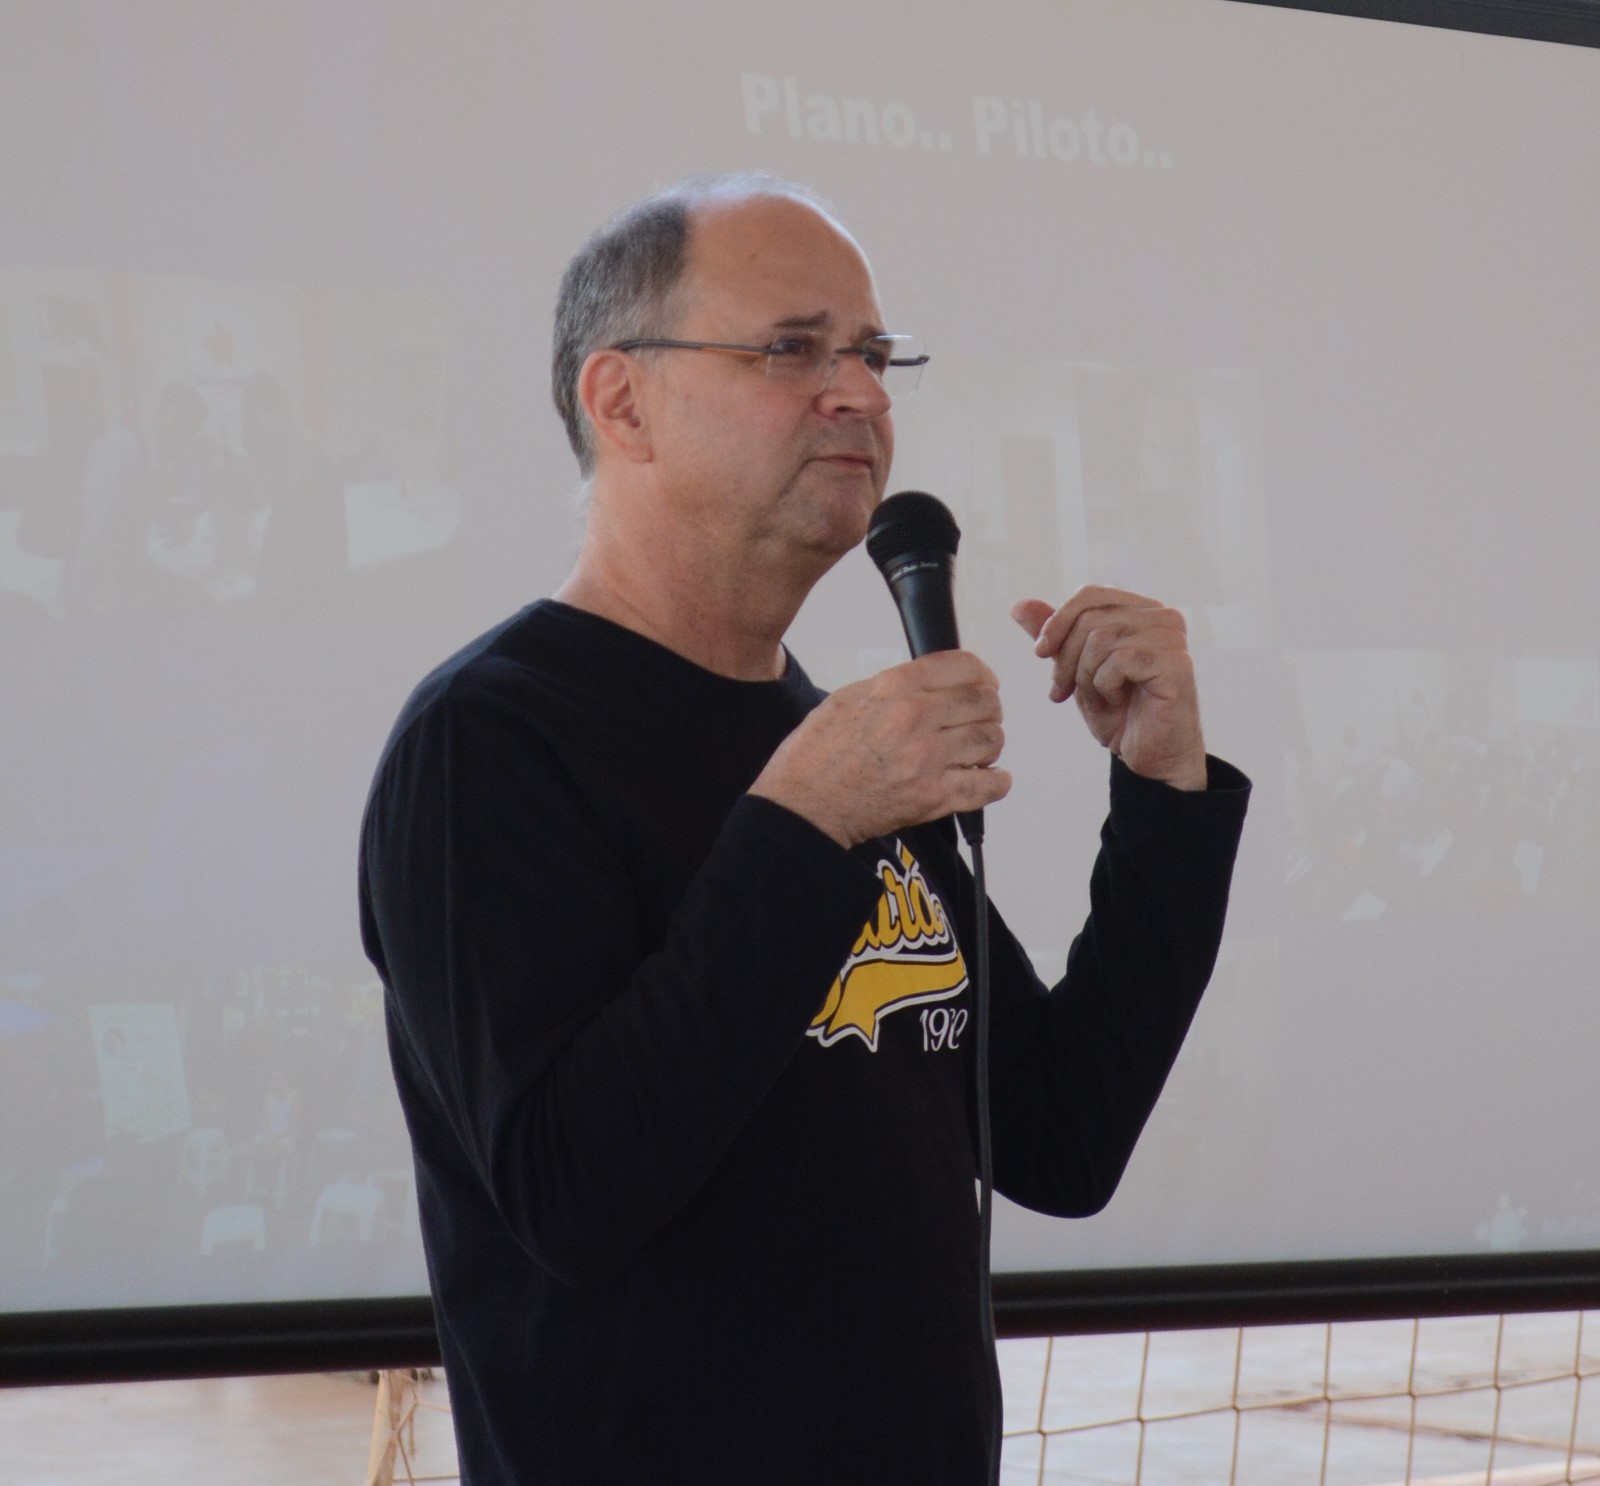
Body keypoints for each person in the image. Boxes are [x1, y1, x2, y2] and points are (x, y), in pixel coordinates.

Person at [359, 172, 1250, 1484]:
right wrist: (802, 823)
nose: (865, 394)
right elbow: (570, 1190)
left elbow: (1058, 1135)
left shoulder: (832, 744)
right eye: (793, 348)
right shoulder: (488, 743)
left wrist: (1164, 801)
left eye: (875, 354)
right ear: (622, 400)